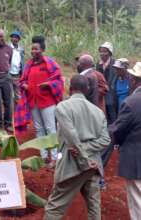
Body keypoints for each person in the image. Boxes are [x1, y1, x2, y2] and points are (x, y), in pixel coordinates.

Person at [44, 75, 110, 220]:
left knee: (54, 209)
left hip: (72, 165)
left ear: (70, 89)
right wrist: (87, 152)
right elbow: (106, 140)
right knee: (94, 208)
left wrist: (83, 159)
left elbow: (72, 137)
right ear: (87, 90)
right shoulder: (98, 112)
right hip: (94, 166)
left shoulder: (63, 107)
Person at [20, 36, 64, 168]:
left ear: (42, 50)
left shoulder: (50, 63)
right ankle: (44, 156)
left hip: (47, 102)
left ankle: (55, 158)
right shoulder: (28, 65)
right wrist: (24, 86)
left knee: (50, 128)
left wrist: (49, 84)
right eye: (32, 48)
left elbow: (59, 80)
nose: (33, 51)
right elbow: (22, 80)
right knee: (39, 129)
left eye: (36, 49)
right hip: (34, 102)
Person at [110, 62, 141, 220]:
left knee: (137, 200)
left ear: (134, 80)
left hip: (136, 159)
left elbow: (118, 130)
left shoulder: (131, 102)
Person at [96, 42, 117, 124]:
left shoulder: (114, 63)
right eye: (101, 51)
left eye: (105, 51)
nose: (102, 54)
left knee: (111, 111)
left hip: (111, 92)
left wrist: (109, 88)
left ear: (110, 53)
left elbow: (114, 79)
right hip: (102, 91)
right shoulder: (98, 64)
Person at [9, 31, 24, 103]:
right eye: (13, 37)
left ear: (19, 39)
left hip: (18, 75)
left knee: (18, 95)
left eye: (16, 37)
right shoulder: (7, 48)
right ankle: (10, 113)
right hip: (9, 74)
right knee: (10, 95)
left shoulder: (21, 50)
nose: (15, 39)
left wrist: (22, 74)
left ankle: (17, 113)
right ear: (11, 38)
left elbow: (22, 62)